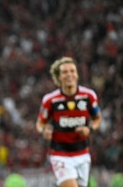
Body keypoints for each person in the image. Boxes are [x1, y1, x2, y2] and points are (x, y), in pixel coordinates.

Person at [36, 57, 102, 187]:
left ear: (77, 74)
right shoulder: (50, 100)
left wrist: (90, 129)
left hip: (83, 154)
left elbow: (97, 119)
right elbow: (40, 123)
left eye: (72, 71)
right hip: (60, 155)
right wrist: (44, 130)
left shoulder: (89, 96)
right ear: (59, 77)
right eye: (65, 72)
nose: (69, 74)